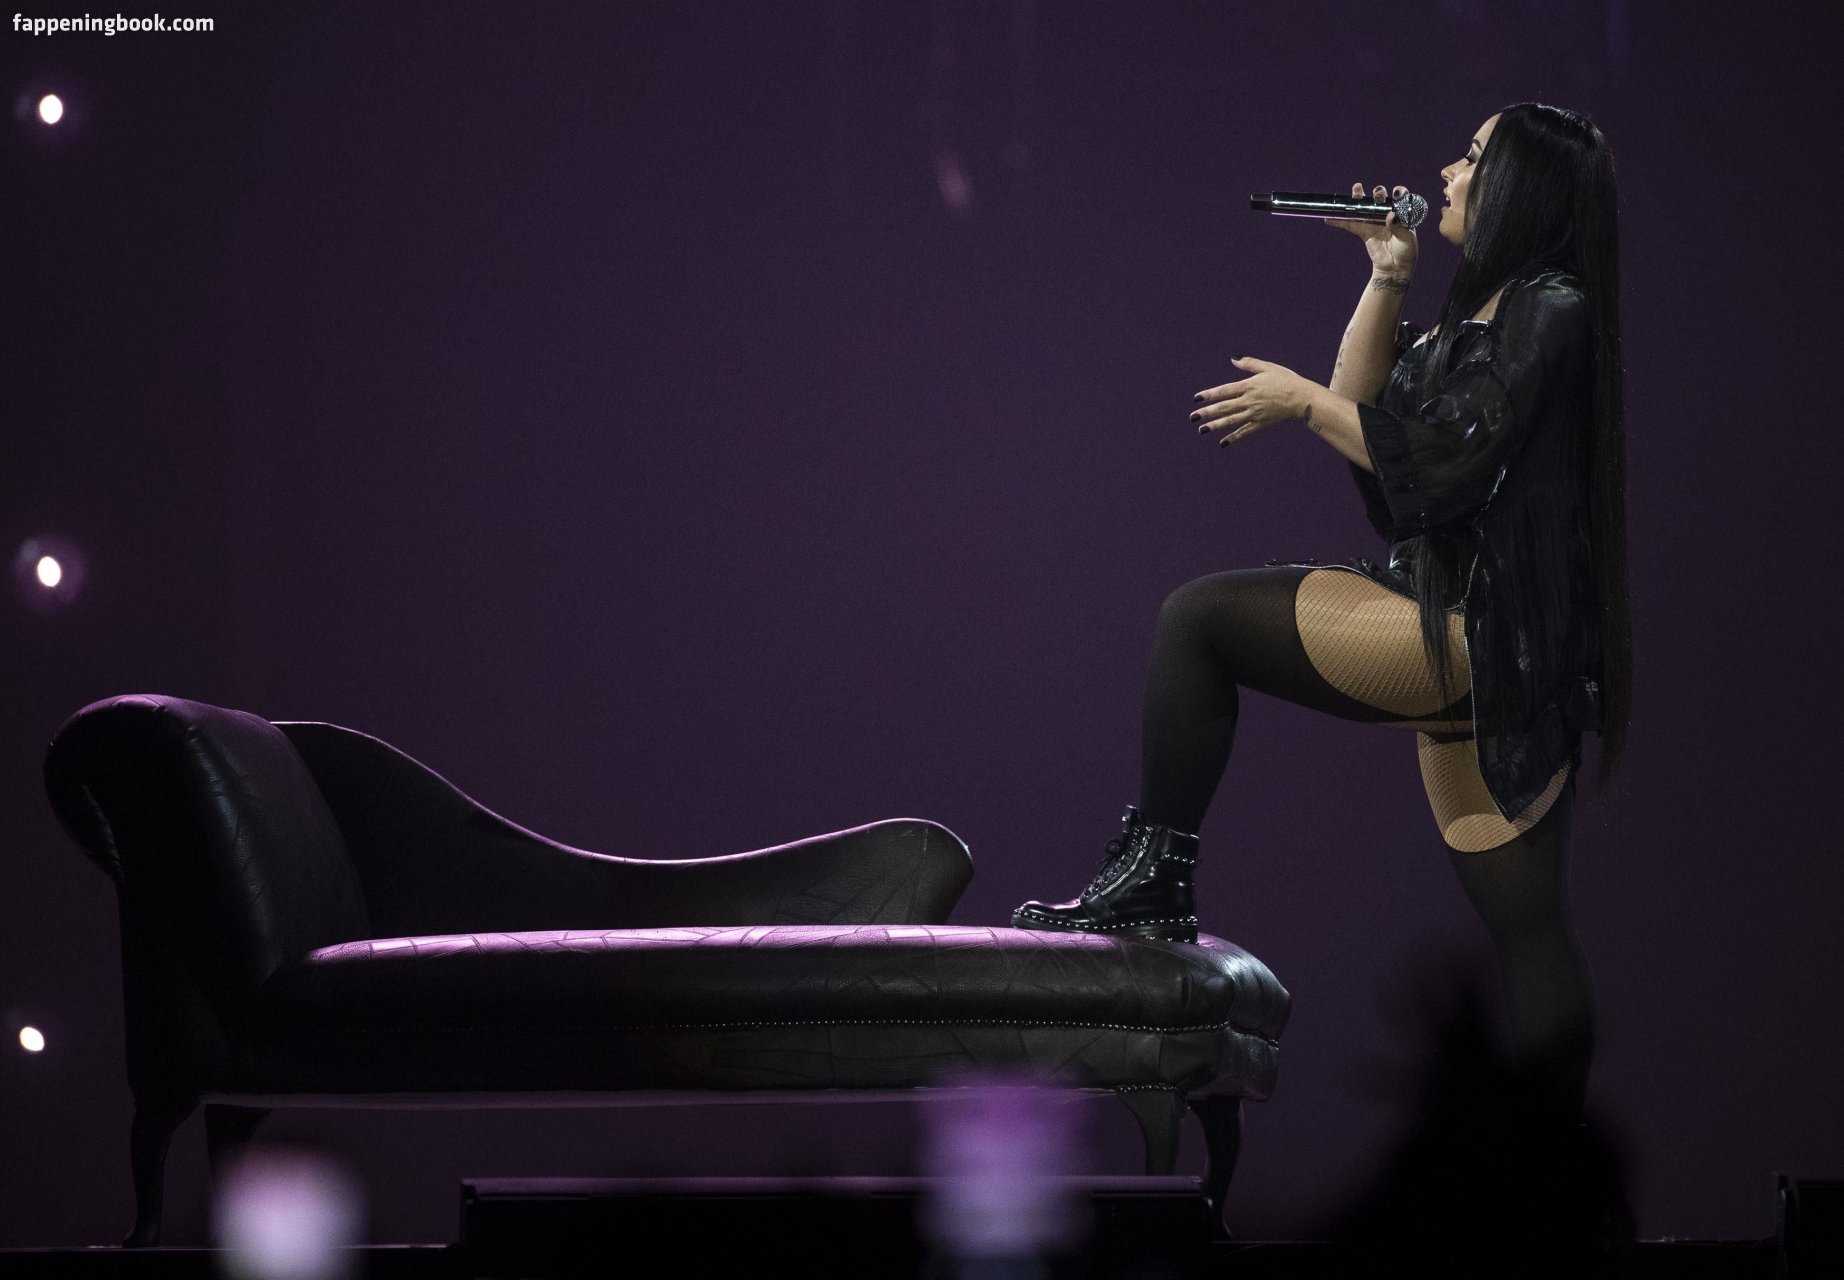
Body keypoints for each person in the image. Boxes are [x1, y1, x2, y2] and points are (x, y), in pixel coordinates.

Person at [1011, 103, 1632, 1121]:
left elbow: (1440, 462)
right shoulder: (1490, 307)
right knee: (1526, 925)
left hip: (1478, 631)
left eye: (1471, 158)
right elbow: (1373, 421)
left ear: (1518, 186)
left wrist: (1301, 401)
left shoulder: (1546, 306)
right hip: (1475, 628)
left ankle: (1156, 880)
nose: (1446, 171)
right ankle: (1556, 1167)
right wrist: (1386, 276)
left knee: (1199, 621)